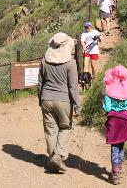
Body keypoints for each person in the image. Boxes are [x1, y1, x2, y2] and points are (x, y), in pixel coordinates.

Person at [38, 32, 80, 174]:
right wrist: (77, 105)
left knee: (50, 130)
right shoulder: (71, 63)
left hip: (46, 99)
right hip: (63, 100)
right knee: (65, 128)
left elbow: (40, 83)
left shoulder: (44, 61)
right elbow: (73, 88)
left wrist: (40, 100)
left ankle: (53, 159)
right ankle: (58, 157)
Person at [102, 65, 127, 185]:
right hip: (126, 121)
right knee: (121, 144)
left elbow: (107, 108)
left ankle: (115, 173)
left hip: (113, 122)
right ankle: (119, 167)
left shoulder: (109, 93)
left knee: (114, 147)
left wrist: (107, 105)